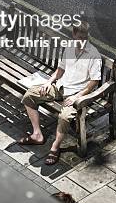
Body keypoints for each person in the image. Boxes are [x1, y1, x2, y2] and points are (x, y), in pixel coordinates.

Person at [18, 22, 101, 165]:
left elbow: (94, 82)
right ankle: (37, 134)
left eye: (85, 38)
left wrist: (77, 96)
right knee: (29, 95)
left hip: (76, 95)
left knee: (64, 116)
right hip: (60, 87)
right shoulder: (69, 48)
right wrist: (49, 82)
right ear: (74, 35)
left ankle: (55, 147)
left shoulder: (94, 55)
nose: (82, 41)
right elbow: (60, 69)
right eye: (79, 37)